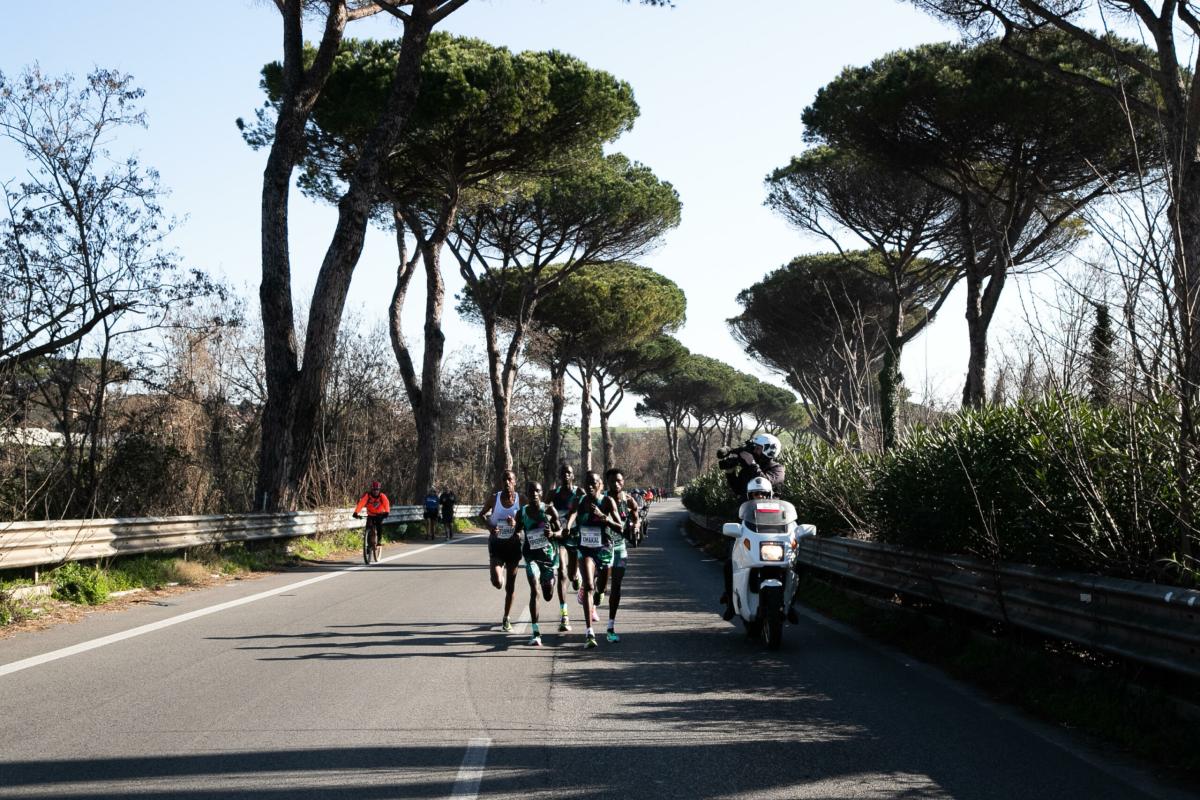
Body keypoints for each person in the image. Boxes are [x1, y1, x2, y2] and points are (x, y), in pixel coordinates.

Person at [717, 434, 785, 620]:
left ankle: (790, 603)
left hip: (772, 524)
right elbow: (739, 489)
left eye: (757, 448)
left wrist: (752, 463)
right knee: (730, 562)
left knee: (792, 562)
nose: (754, 451)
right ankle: (731, 601)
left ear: (768, 450)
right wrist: (731, 473)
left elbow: (767, 482)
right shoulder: (748, 468)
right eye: (754, 448)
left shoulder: (777, 468)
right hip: (747, 520)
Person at [563, 470, 623, 648]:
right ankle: (589, 632)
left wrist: (603, 517)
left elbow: (619, 526)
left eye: (593, 483)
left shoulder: (607, 501)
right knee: (589, 585)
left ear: (600, 485)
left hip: (604, 549)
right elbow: (573, 514)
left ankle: (599, 593)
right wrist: (568, 525)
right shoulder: (579, 500)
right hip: (585, 549)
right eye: (587, 483)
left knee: (600, 591)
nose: (590, 486)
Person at [516, 481, 562, 646]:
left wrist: (553, 534)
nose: (534, 494)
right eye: (530, 491)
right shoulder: (521, 513)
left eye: (537, 491)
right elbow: (518, 530)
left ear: (541, 493)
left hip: (548, 558)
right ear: (527, 494)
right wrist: (517, 532)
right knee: (534, 590)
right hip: (531, 557)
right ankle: (535, 632)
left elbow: (562, 532)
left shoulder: (549, 510)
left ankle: (550, 581)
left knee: (548, 595)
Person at [596, 468, 638, 643]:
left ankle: (611, 626)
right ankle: (594, 590)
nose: (616, 484)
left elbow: (636, 515)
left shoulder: (628, 500)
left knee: (617, 586)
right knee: (601, 589)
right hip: (604, 547)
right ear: (607, 483)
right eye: (613, 481)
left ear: (623, 482)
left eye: (619, 481)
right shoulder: (602, 500)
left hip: (620, 547)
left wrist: (636, 526)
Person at [480, 470, 522, 632]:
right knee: (497, 582)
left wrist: (516, 524)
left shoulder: (521, 499)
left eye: (510, 479)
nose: (507, 482)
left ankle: (506, 618)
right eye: (504, 479)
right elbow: (482, 514)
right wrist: (490, 526)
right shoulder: (494, 498)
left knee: (510, 587)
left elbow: (526, 518)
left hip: (513, 547)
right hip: (497, 546)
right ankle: (500, 577)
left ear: (515, 482)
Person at [550, 462, 583, 631]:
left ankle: (577, 576)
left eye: (568, 473)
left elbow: (586, 510)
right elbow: (543, 509)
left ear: (573, 475)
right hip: (559, 538)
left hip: (575, 537)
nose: (565, 475)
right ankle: (564, 615)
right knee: (562, 572)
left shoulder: (579, 492)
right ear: (559, 475)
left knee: (571, 575)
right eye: (562, 473)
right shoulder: (553, 494)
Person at [352, 480, 390, 562]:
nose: (375, 491)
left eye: (377, 489)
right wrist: (356, 512)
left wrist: (387, 512)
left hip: (380, 514)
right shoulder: (368, 496)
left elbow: (386, 504)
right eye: (374, 489)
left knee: (379, 526)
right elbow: (361, 503)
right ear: (371, 489)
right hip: (371, 514)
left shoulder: (382, 496)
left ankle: (379, 540)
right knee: (368, 528)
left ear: (379, 490)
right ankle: (368, 546)